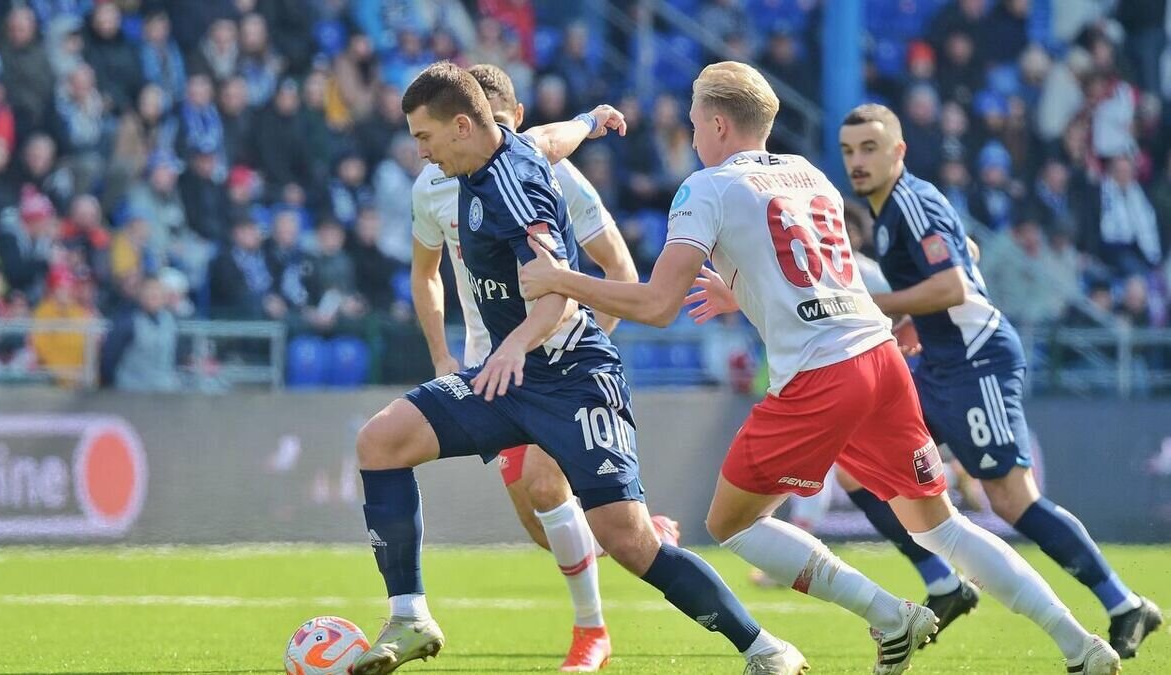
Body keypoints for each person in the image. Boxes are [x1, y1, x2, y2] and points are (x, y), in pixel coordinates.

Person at [519, 61, 1122, 675]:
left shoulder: (706, 187)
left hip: (820, 377)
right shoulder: (811, 176)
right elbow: (807, 273)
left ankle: (889, 614)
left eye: (697, 122)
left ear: (718, 124)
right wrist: (740, 290)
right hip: (879, 360)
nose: (694, 136)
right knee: (944, 529)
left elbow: (656, 304)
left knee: (730, 522)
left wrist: (559, 279)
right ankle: (1081, 647)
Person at [354, 61, 800, 675]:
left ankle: (764, 648)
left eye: (424, 138)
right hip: (505, 378)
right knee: (380, 442)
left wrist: (512, 345)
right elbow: (551, 137)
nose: (420, 154)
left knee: (629, 542)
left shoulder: (516, 191)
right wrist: (590, 121)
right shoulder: (508, 149)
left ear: (461, 127)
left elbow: (557, 289)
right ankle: (410, 616)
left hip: (570, 374)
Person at [831, 104, 1161, 659]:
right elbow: (970, 252)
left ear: (898, 151)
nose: (858, 161)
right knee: (857, 469)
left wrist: (882, 305)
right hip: (940, 360)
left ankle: (1125, 604)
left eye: (870, 148)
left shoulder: (909, 204)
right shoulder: (892, 211)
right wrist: (917, 318)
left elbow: (955, 285)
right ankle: (944, 584)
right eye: (848, 151)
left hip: (976, 358)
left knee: (1010, 499)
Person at [410, 63, 678, 672]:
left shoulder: (550, 175)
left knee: (543, 482)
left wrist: (575, 357)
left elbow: (621, 274)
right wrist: (443, 357)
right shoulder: (432, 184)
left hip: (555, 365)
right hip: (489, 371)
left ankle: (592, 633)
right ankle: (633, 532)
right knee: (542, 524)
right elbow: (425, 272)